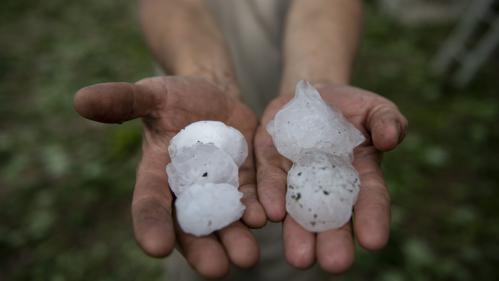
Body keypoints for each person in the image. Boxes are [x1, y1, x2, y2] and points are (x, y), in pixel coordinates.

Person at [73, 0, 408, 280]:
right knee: (203, 257)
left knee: (296, 253)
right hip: (200, 99)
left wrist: (319, 80)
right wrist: (205, 76)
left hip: (285, 149)